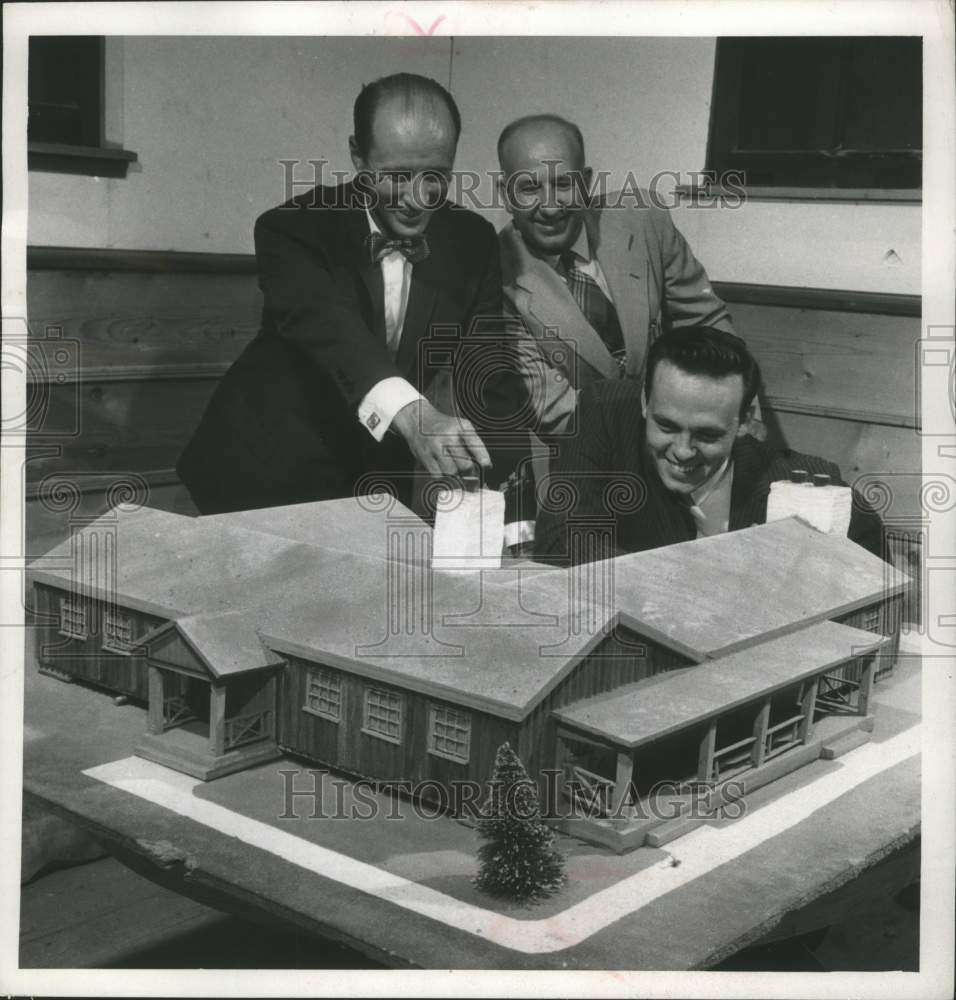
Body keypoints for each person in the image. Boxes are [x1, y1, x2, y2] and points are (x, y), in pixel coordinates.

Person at [178, 73, 530, 518]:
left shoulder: (472, 240)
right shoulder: (292, 229)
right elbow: (336, 335)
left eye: (436, 176)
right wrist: (416, 416)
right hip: (265, 470)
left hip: (377, 478)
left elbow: (490, 378)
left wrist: (512, 502)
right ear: (358, 157)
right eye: (397, 176)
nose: (418, 198)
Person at [534, 326, 884, 564]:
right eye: (666, 425)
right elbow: (559, 544)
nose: (683, 451)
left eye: (707, 435)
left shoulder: (802, 479)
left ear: (746, 421)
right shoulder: (605, 413)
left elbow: (876, 577)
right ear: (644, 401)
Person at [496, 113, 741, 439]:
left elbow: (708, 325)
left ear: (586, 182)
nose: (551, 206)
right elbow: (550, 407)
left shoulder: (643, 220)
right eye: (529, 187)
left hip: (685, 440)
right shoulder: (494, 274)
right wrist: (662, 429)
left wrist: (737, 403)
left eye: (564, 184)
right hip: (586, 455)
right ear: (506, 195)